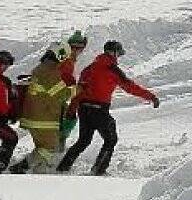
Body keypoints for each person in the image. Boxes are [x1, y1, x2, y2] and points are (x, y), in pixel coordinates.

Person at [57, 40, 159, 176]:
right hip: (99, 110)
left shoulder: (88, 69)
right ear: (114, 53)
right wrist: (151, 97)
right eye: (118, 54)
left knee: (83, 141)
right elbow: (130, 87)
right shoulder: (112, 69)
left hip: (83, 109)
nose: (118, 57)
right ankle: (98, 171)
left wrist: (72, 110)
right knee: (111, 139)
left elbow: (78, 91)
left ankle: (62, 168)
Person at [9, 44, 73, 174]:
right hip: (43, 118)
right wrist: (78, 89)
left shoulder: (41, 68)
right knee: (50, 147)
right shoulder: (50, 71)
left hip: (34, 115)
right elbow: (62, 94)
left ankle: (37, 171)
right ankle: (23, 168)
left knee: (43, 147)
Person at [58, 30, 88, 146]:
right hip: (55, 97)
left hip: (54, 96)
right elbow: (63, 76)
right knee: (69, 117)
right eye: (74, 48)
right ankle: (58, 145)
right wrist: (75, 85)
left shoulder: (62, 54)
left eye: (78, 48)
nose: (76, 51)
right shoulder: (67, 59)